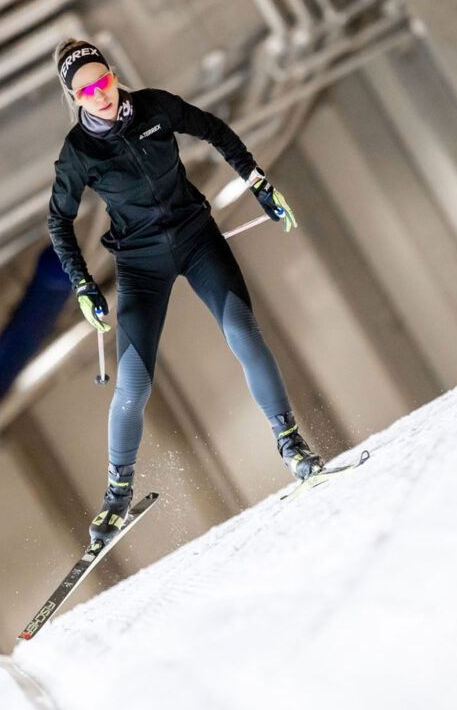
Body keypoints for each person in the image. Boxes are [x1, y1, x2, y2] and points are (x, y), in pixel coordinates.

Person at [46, 38, 325, 544]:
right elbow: (58, 222)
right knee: (134, 385)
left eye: (103, 80)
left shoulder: (153, 106)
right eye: (86, 91)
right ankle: (116, 498)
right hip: (140, 266)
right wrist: (83, 284)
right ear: (76, 99)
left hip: (197, 240)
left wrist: (257, 182)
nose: (100, 94)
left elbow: (214, 130)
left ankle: (291, 445)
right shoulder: (78, 154)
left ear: (113, 74)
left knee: (244, 333)